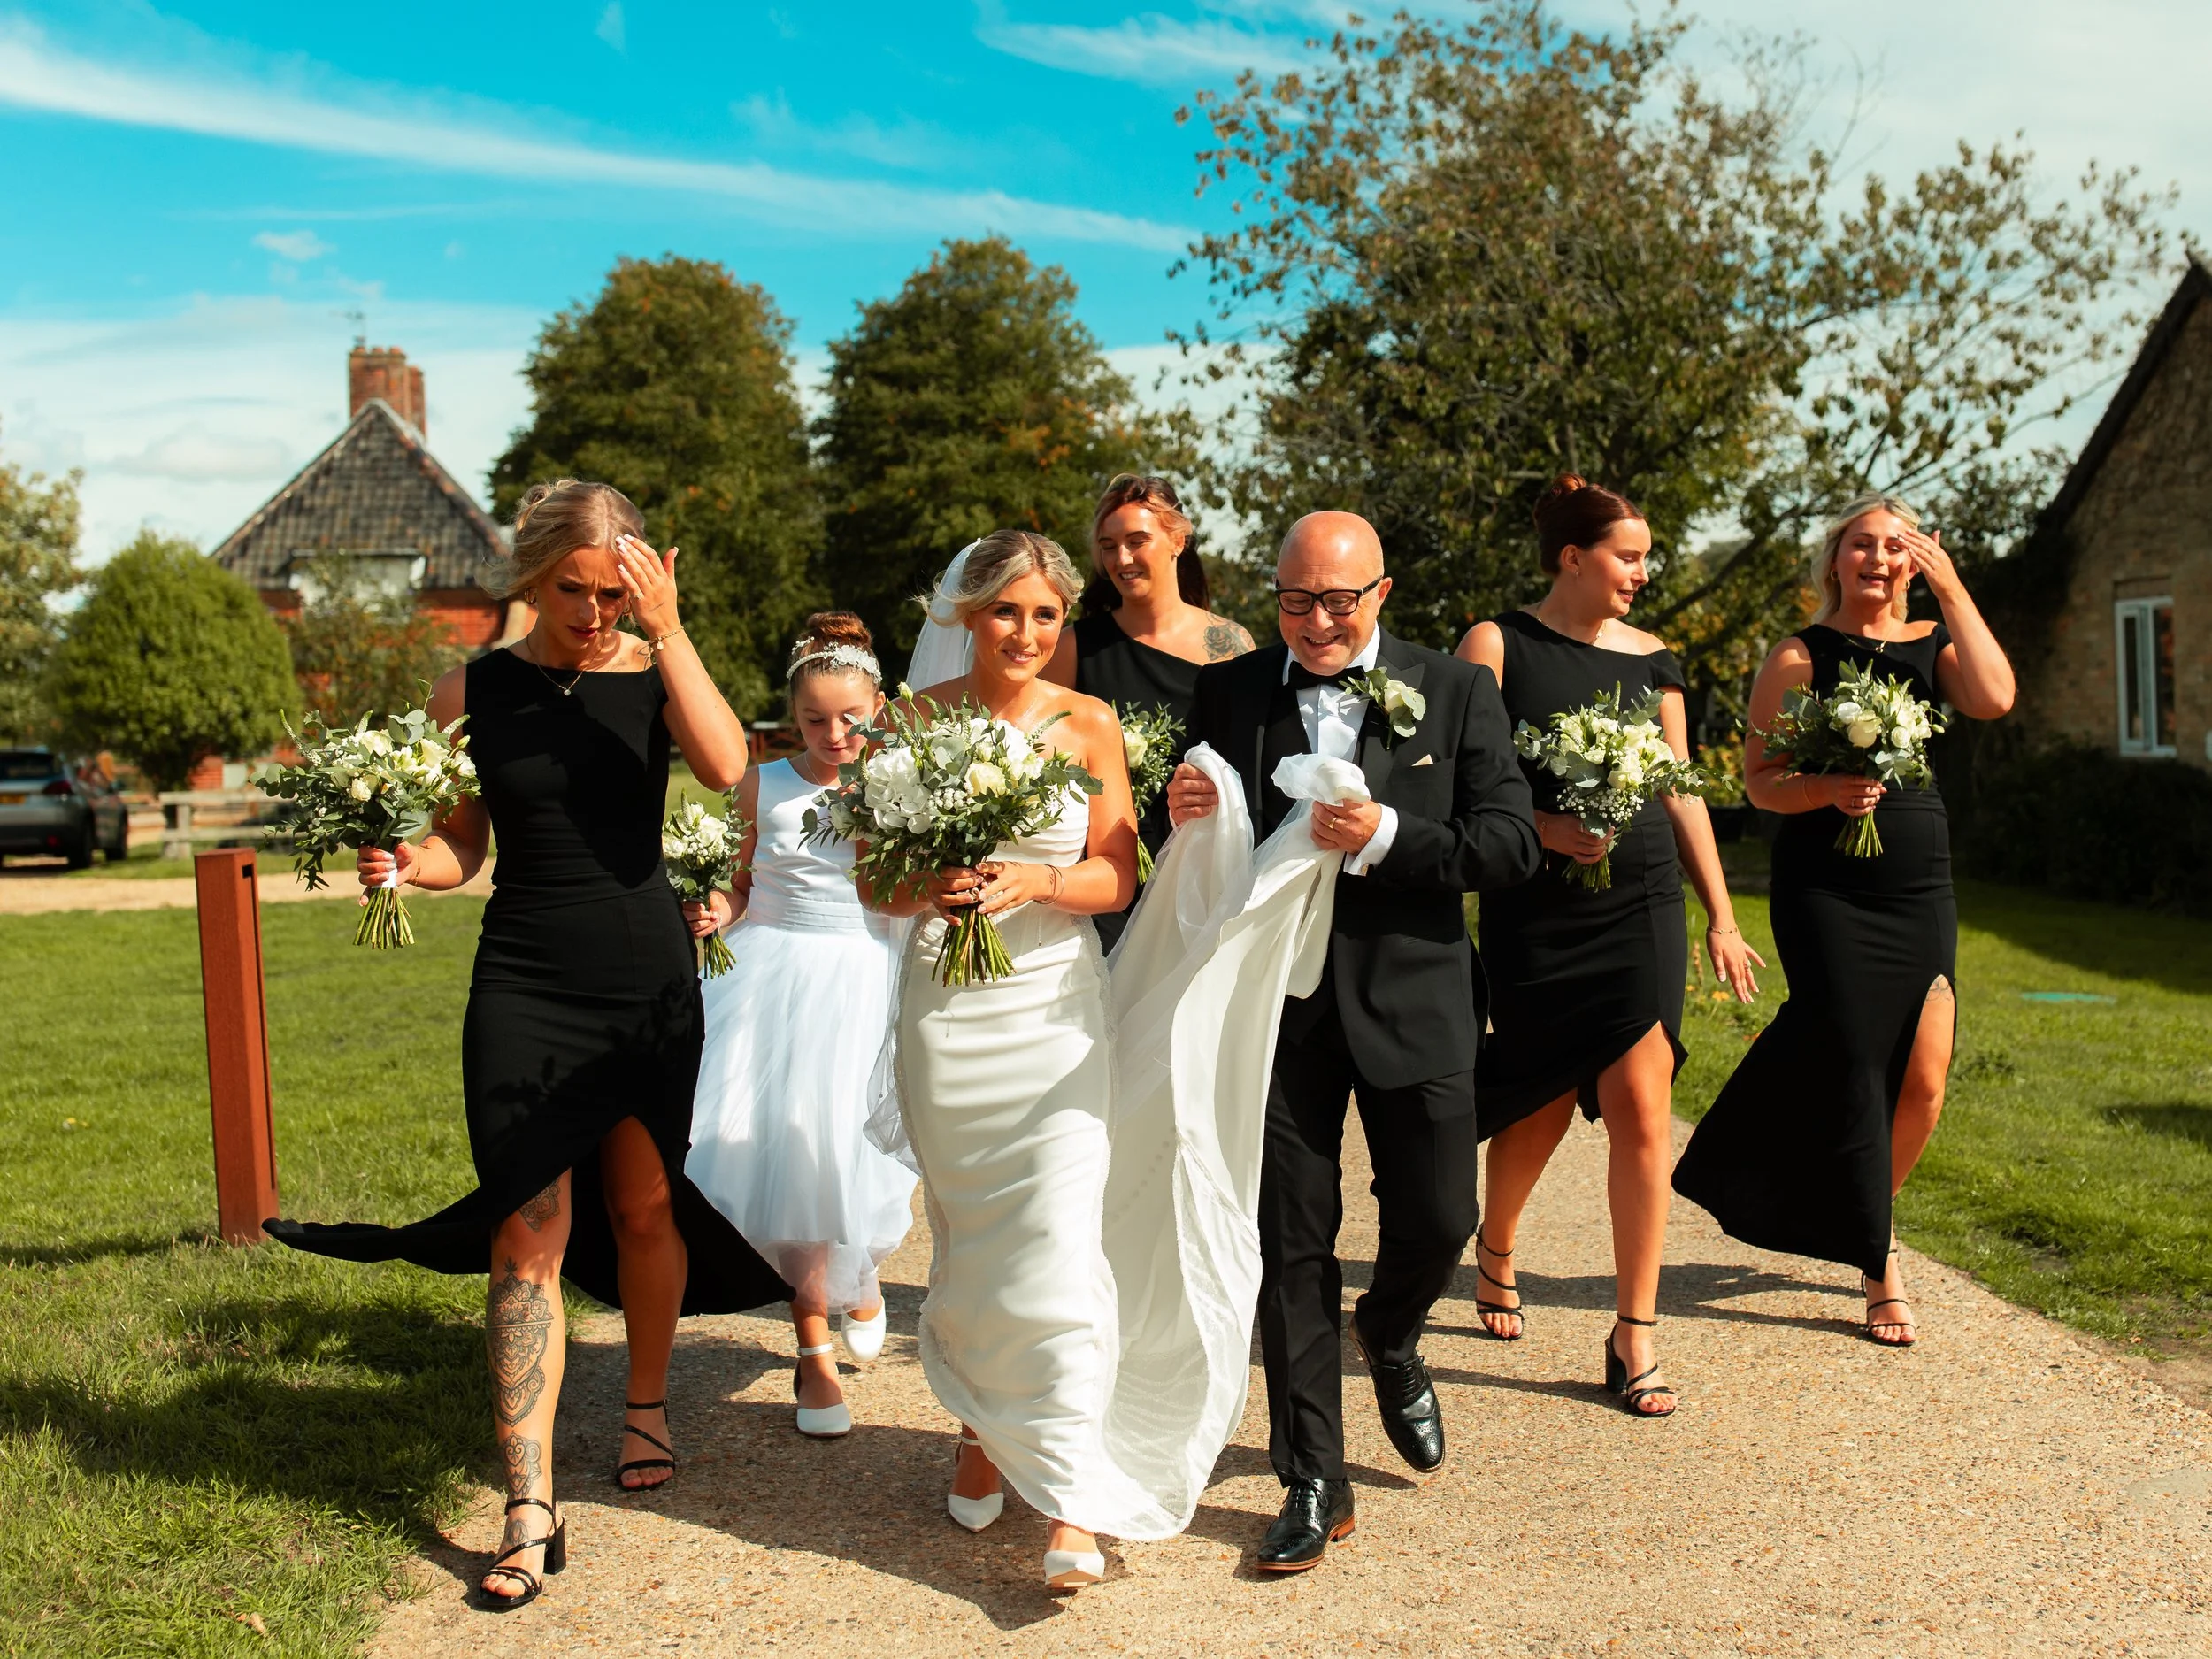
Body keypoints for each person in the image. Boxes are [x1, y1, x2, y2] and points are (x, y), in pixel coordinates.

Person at [265, 480, 789, 1611]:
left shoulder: (656, 672)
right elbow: (465, 846)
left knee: (645, 1205)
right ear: (532, 575)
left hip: (644, 970)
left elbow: (721, 767)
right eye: (574, 590)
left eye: (614, 593)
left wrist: (673, 629)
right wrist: (408, 864)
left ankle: (644, 1403)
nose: (594, 612)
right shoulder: (471, 687)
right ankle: (528, 1500)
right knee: (527, 1223)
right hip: (524, 976)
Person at [1166, 511, 1541, 1571]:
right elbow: (1196, 834)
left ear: (1381, 592)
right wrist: (1177, 804)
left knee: (1439, 1214)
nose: (1317, 622)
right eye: (1295, 602)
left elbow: (1509, 846)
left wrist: (1385, 834)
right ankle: (1311, 1478)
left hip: (1414, 996)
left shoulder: (1458, 689)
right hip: (1272, 1008)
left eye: (1337, 601)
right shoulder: (1230, 688)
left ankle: (1392, 1329)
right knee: (1290, 1242)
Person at [859, 529, 1141, 1592]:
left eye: (1045, 615)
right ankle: (981, 1427)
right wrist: (928, 891)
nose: (1024, 633)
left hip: (1054, 1004)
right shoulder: (909, 724)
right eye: (1005, 612)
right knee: (972, 1235)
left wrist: (1040, 886)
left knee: (1060, 1234)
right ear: (965, 617)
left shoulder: (1089, 725)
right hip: (948, 1005)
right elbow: (871, 887)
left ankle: (1070, 1491)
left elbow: (1114, 875)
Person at [1454, 475, 1763, 1418]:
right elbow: (1467, 780)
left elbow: (1679, 791)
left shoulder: (1655, 660)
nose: (1642, 571)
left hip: (1639, 903)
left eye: (1645, 556)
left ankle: (1635, 1334)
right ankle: (1496, 1245)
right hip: (1538, 906)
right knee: (1540, 1101)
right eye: (1628, 555)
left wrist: (1721, 913)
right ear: (1572, 558)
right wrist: (1542, 830)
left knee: (1641, 1104)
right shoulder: (1495, 644)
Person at [1672, 493, 2015, 1345]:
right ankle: (1879, 1256)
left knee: (1926, 1077)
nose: (1880, 559)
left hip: (1918, 878)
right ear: (1835, 559)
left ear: (1916, 562)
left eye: (1898, 548)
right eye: (1863, 544)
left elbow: (1997, 697)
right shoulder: (1799, 654)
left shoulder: (1934, 644)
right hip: (1827, 887)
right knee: (1858, 1065)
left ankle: (1857, 1212)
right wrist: (1826, 789)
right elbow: (1759, 780)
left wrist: (1956, 591)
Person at [680, 613, 917, 1440]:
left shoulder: (902, 786)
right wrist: (718, 905)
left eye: (850, 717)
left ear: (878, 706)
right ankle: (812, 1345)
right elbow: (743, 882)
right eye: (815, 719)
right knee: (787, 1149)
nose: (834, 734)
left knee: (853, 1155)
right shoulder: (764, 784)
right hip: (774, 978)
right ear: (793, 716)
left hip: (862, 975)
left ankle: (863, 1280)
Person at [1043, 473, 1254, 950]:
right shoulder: (1074, 647)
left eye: (1137, 541)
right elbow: (1045, 757)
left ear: (1178, 539)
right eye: (1108, 546)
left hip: (1197, 867)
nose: (1121, 559)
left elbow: (1247, 762)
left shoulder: (1230, 644)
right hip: (1104, 866)